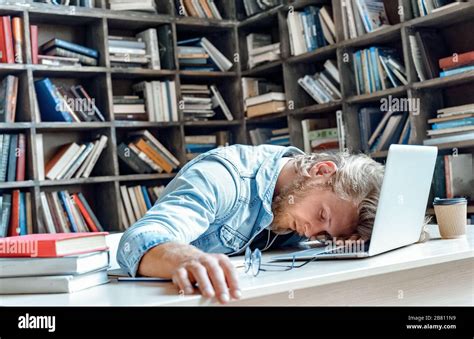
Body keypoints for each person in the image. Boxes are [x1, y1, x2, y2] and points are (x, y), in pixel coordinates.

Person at [117, 144, 384, 304]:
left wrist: (349, 241)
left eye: (325, 234)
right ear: (321, 171)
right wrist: (184, 258)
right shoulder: (223, 179)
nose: (311, 232)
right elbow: (137, 239)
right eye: (321, 216)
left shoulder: (298, 196)